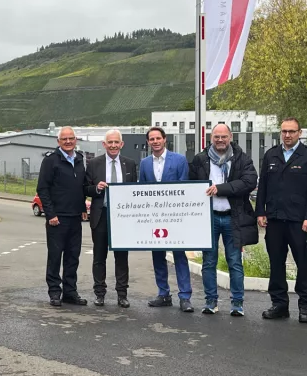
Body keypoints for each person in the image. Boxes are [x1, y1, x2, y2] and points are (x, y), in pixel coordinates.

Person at [255, 117, 307, 323]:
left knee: (303, 263)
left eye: (292, 131)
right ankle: (279, 305)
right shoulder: (271, 155)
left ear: (299, 133)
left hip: (299, 221)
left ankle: (305, 306)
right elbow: (263, 186)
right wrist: (260, 212)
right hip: (275, 219)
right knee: (276, 263)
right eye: (284, 131)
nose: (287, 135)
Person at [188, 124, 259, 317]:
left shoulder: (242, 159)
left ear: (230, 137)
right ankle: (211, 302)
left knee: (235, 262)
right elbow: (190, 185)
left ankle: (237, 304)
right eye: (216, 137)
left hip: (233, 217)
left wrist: (221, 188)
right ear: (211, 138)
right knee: (208, 262)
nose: (220, 140)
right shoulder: (200, 160)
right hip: (208, 218)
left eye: (224, 137)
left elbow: (249, 182)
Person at [138, 126, 194, 312]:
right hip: (155, 217)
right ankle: (163, 294)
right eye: (151, 139)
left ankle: (185, 297)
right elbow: (142, 191)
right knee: (157, 257)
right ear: (148, 142)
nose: (155, 142)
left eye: (158, 138)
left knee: (179, 256)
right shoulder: (145, 163)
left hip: (175, 217)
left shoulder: (179, 160)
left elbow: (184, 188)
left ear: (164, 139)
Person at [37, 126, 91, 307]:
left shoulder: (80, 159)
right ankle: (54, 292)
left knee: (72, 257)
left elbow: (81, 187)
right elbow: (42, 189)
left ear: (76, 140)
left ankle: (70, 292)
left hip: (75, 217)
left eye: (71, 138)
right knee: (55, 256)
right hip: (57, 219)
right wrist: (50, 214)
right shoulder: (51, 161)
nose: (68, 141)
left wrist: (83, 207)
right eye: (64, 139)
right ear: (58, 141)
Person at [85, 128, 138, 307]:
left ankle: (122, 295)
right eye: (110, 142)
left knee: (122, 257)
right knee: (99, 257)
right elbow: (85, 188)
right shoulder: (93, 164)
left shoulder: (130, 164)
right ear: (104, 144)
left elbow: (134, 191)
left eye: (117, 142)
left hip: (122, 218)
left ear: (121, 144)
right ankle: (99, 293)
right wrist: (96, 188)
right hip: (101, 215)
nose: (113, 145)